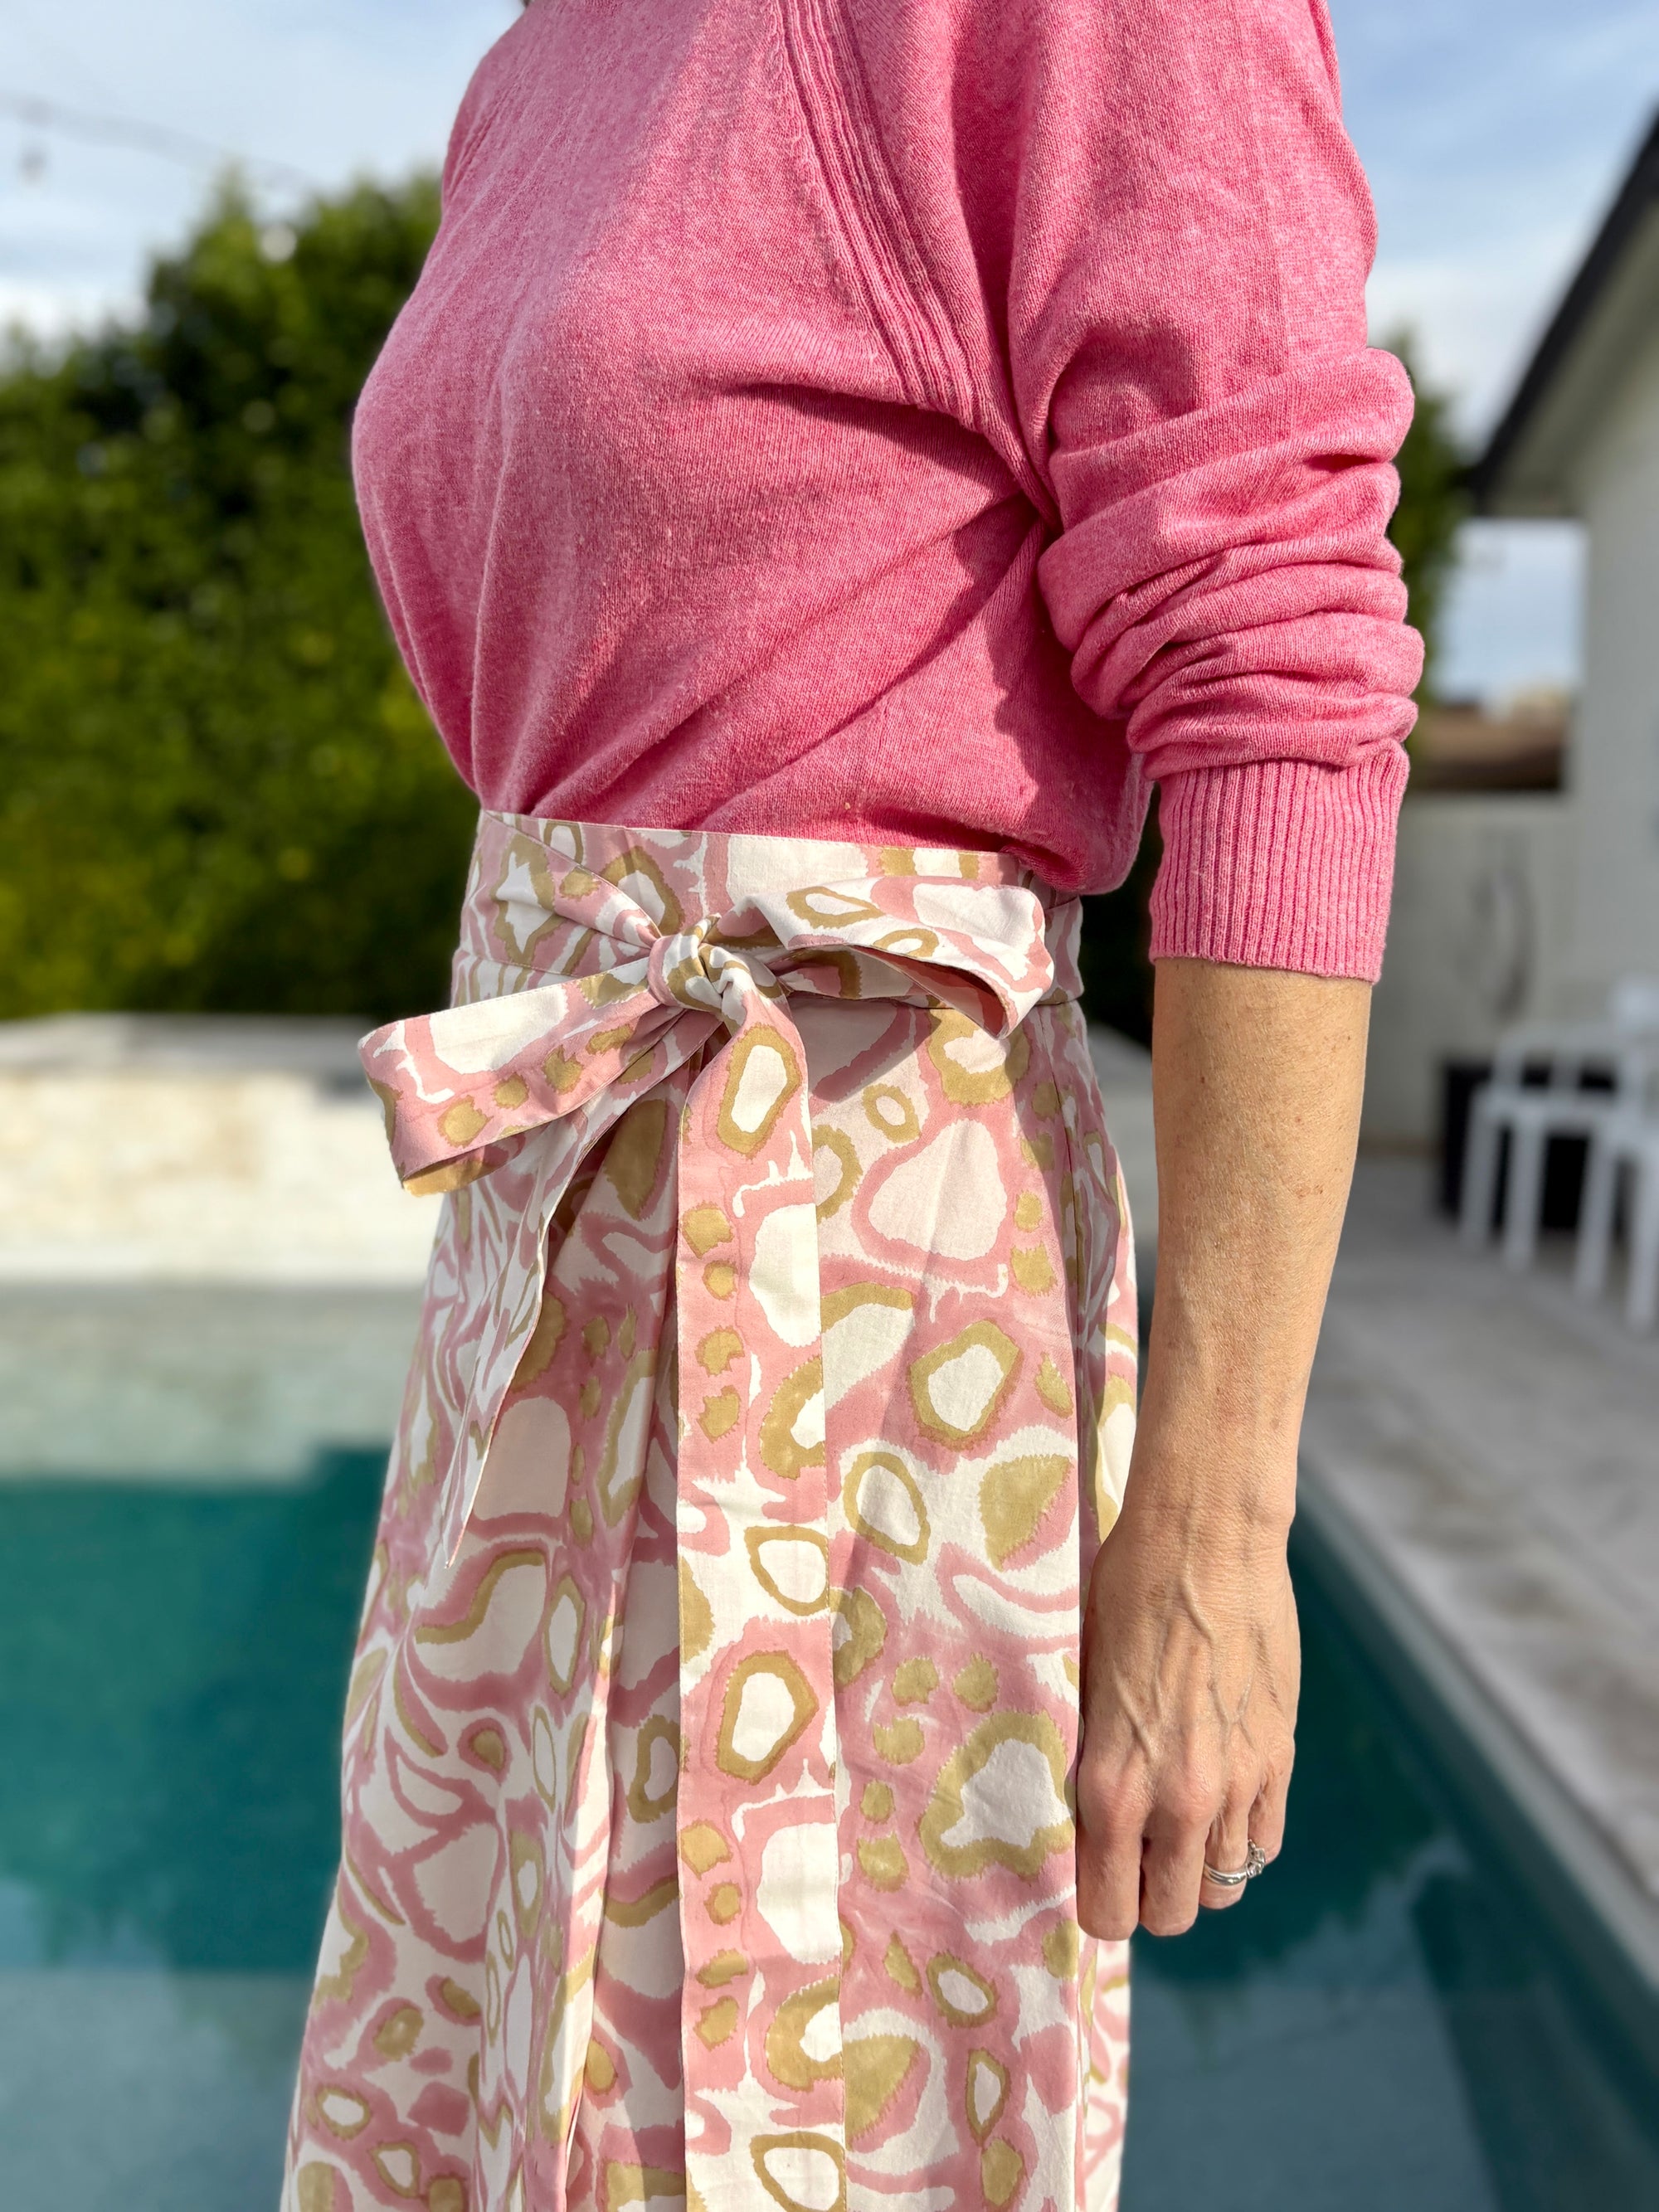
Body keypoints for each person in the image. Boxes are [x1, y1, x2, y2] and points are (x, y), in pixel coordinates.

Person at [282, 0, 1419, 2205]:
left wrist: (1215, 1519)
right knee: (498, 2099)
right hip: (551, 1264)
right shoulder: (545, 57)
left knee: (808, 2112)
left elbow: (1279, 696)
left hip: (863, 1297)